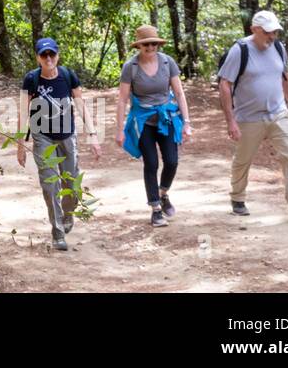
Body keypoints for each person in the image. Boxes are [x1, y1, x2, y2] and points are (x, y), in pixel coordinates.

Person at [219, 10, 288, 224]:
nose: (272, 37)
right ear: (255, 30)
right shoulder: (240, 50)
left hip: (278, 113)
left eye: (275, 32)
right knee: (243, 159)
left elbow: (285, 76)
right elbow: (225, 84)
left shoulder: (278, 48)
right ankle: (238, 198)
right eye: (268, 32)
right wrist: (231, 120)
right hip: (248, 116)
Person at [16, 37, 102, 251]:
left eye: (51, 54)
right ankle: (57, 232)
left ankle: (68, 216)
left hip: (66, 135)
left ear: (57, 55)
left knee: (71, 183)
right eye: (43, 55)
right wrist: (20, 144)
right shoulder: (31, 79)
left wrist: (92, 134)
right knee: (49, 184)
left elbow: (80, 104)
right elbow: (23, 111)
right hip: (42, 136)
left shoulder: (67, 75)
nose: (48, 58)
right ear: (37, 57)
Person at [115, 25, 190, 227]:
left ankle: (163, 193)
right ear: (139, 46)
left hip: (166, 118)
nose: (150, 47)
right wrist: (120, 129)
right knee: (151, 163)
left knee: (172, 161)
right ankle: (156, 209)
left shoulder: (168, 62)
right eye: (146, 44)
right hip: (143, 120)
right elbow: (122, 99)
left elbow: (180, 93)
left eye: (154, 43)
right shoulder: (131, 67)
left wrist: (187, 123)